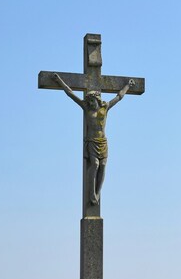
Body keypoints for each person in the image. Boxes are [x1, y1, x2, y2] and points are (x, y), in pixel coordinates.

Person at [54, 73, 135, 205]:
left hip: (102, 142)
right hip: (92, 141)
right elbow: (70, 93)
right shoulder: (86, 108)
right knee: (95, 164)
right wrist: (60, 81)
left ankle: (97, 192)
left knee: (103, 166)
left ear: (97, 100)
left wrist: (127, 86)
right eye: (89, 101)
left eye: (92, 101)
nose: (90, 103)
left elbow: (119, 97)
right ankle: (91, 193)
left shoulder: (105, 107)